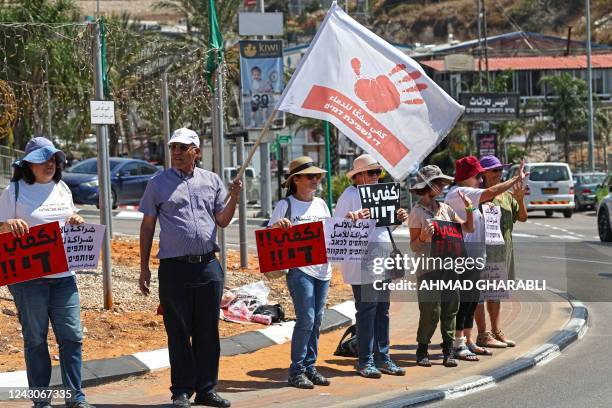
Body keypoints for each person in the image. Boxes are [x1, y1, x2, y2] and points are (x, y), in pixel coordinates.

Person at [139, 128, 241, 408]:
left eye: (183, 148)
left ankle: (207, 389)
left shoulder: (212, 181)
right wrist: (144, 267)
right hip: (174, 269)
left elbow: (222, 220)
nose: (177, 153)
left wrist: (234, 197)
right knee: (178, 330)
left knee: (208, 330)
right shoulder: (158, 183)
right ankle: (181, 390)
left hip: (208, 266)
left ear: (196, 150)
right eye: (174, 147)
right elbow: (147, 226)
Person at [0, 137, 94, 408]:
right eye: (43, 159)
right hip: (29, 282)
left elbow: (70, 221)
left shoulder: (62, 187)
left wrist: (77, 220)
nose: (49, 163)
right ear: (28, 164)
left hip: (64, 277)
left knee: (72, 336)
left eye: (53, 158)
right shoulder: (14, 192)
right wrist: (8, 224)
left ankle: (76, 397)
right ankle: (41, 401)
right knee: (35, 339)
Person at [333, 154, 408, 378]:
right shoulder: (349, 195)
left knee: (382, 310)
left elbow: (383, 226)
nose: (377, 176)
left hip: (382, 254)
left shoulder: (382, 193)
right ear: (359, 175)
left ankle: (382, 357)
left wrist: (398, 217)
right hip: (361, 259)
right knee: (367, 310)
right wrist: (351, 218)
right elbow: (337, 227)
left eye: (378, 173)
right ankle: (365, 360)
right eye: (372, 172)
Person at [444, 156, 527, 357]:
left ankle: (468, 340)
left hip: (477, 255)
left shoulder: (468, 194)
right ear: (470, 176)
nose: (481, 179)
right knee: (466, 302)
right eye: (479, 175)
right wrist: (516, 178)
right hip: (464, 256)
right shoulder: (461, 192)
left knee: (473, 301)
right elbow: (489, 192)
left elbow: (469, 225)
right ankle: (461, 341)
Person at [268, 156, 332, 389]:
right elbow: (269, 238)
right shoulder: (285, 206)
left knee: (317, 320)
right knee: (306, 318)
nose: (316, 180)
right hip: (300, 271)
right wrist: (277, 227)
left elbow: (331, 234)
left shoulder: (322, 204)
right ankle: (296, 371)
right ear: (296, 180)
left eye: (317, 176)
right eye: (310, 176)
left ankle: (309, 367)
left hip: (323, 270)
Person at [408, 165, 474, 368]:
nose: (443, 186)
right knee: (430, 311)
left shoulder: (445, 209)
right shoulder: (417, 212)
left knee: (450, 309)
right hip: (428, 269)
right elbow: (414, 246)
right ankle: (422, 350)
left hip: (450, 267)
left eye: (444, 183)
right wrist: (423, 236)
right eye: (439, 183)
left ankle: (448, 350)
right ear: (428, 185)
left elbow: (468, 228)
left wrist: (470, 208)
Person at [474, 155, 528, 348]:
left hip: (502, 252)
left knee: (495, 294)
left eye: (500, 170)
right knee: (479, 295)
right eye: (494, 170)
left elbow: (522, 218)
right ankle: (482, 334)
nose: (499, 173)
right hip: (481, 253)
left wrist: (520, 200)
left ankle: (497, 332)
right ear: (484, 173)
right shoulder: (478, 195)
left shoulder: (506, 196)